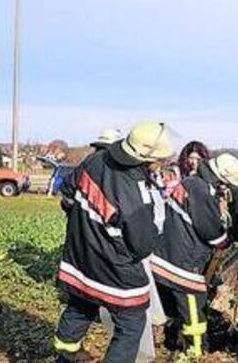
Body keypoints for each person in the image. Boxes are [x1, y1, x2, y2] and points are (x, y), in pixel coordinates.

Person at [53, 122, 174, 362]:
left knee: (80, 305)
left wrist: (84, 228)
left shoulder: (95, 160)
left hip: (79, 258)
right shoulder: (136, 192)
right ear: (145, 158)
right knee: (131, 323)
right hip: (114, 269)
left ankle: (65, 354)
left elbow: (67, 196)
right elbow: (141, 245)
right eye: (160, 158)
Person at [151, 157, 227, 356]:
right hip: (183, 261)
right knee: (193, 302)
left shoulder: (190, 182)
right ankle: (195, 350)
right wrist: (224, 240)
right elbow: (210, 229)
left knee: (173, 303)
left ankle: (169, 337)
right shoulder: (201, 189)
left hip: (165, 254)